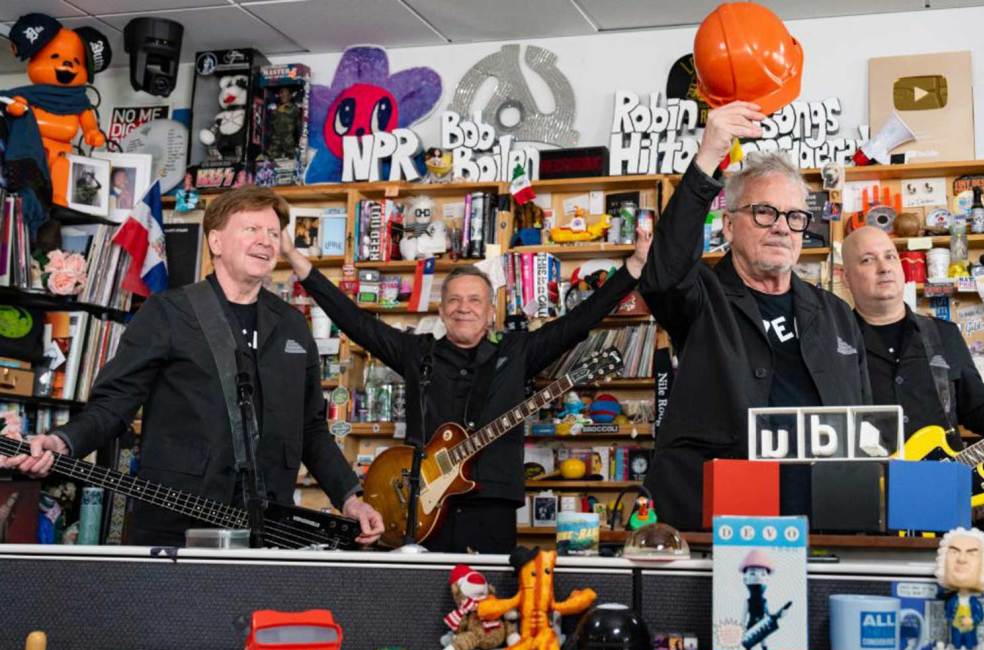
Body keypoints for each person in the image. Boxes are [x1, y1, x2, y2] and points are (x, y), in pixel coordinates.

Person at [0, 186, 384, 547]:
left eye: (273, 231)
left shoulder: (291, 325)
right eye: (251, 228)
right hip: (175, 526)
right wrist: (62, 441)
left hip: (266, 528)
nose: (266, 240)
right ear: (215, 241)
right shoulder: (169, 313)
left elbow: (311, 427)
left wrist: (350, 497)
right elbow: (113, 405)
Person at [280, 226, 651, 554]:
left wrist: (633, 267)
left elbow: (577, 321)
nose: (464, 309)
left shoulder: (517, 352)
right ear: (442, 311)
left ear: (491, 312)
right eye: (454, 300)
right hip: (418, 510)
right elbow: (356, 322)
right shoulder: (417, 353)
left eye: (475, 300)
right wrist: (298, 262)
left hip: (490, 510)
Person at [640, 101, 871, 530]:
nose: (781, 227)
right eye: (764, 212)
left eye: (795, 216)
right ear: (728, 226)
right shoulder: (701, 297)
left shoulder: (836, 315)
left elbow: (866, 429)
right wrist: (708, 155)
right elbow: (662, 275)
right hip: (722, 520)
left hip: (829, 522)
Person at [842, 226, 984, 447]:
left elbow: (978, 409)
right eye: (868, 260)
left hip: (942, 478)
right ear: (847, 278)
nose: (884, 267)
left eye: (890, 256)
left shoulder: (944, 334)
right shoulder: (833, 342)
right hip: (867, 480)